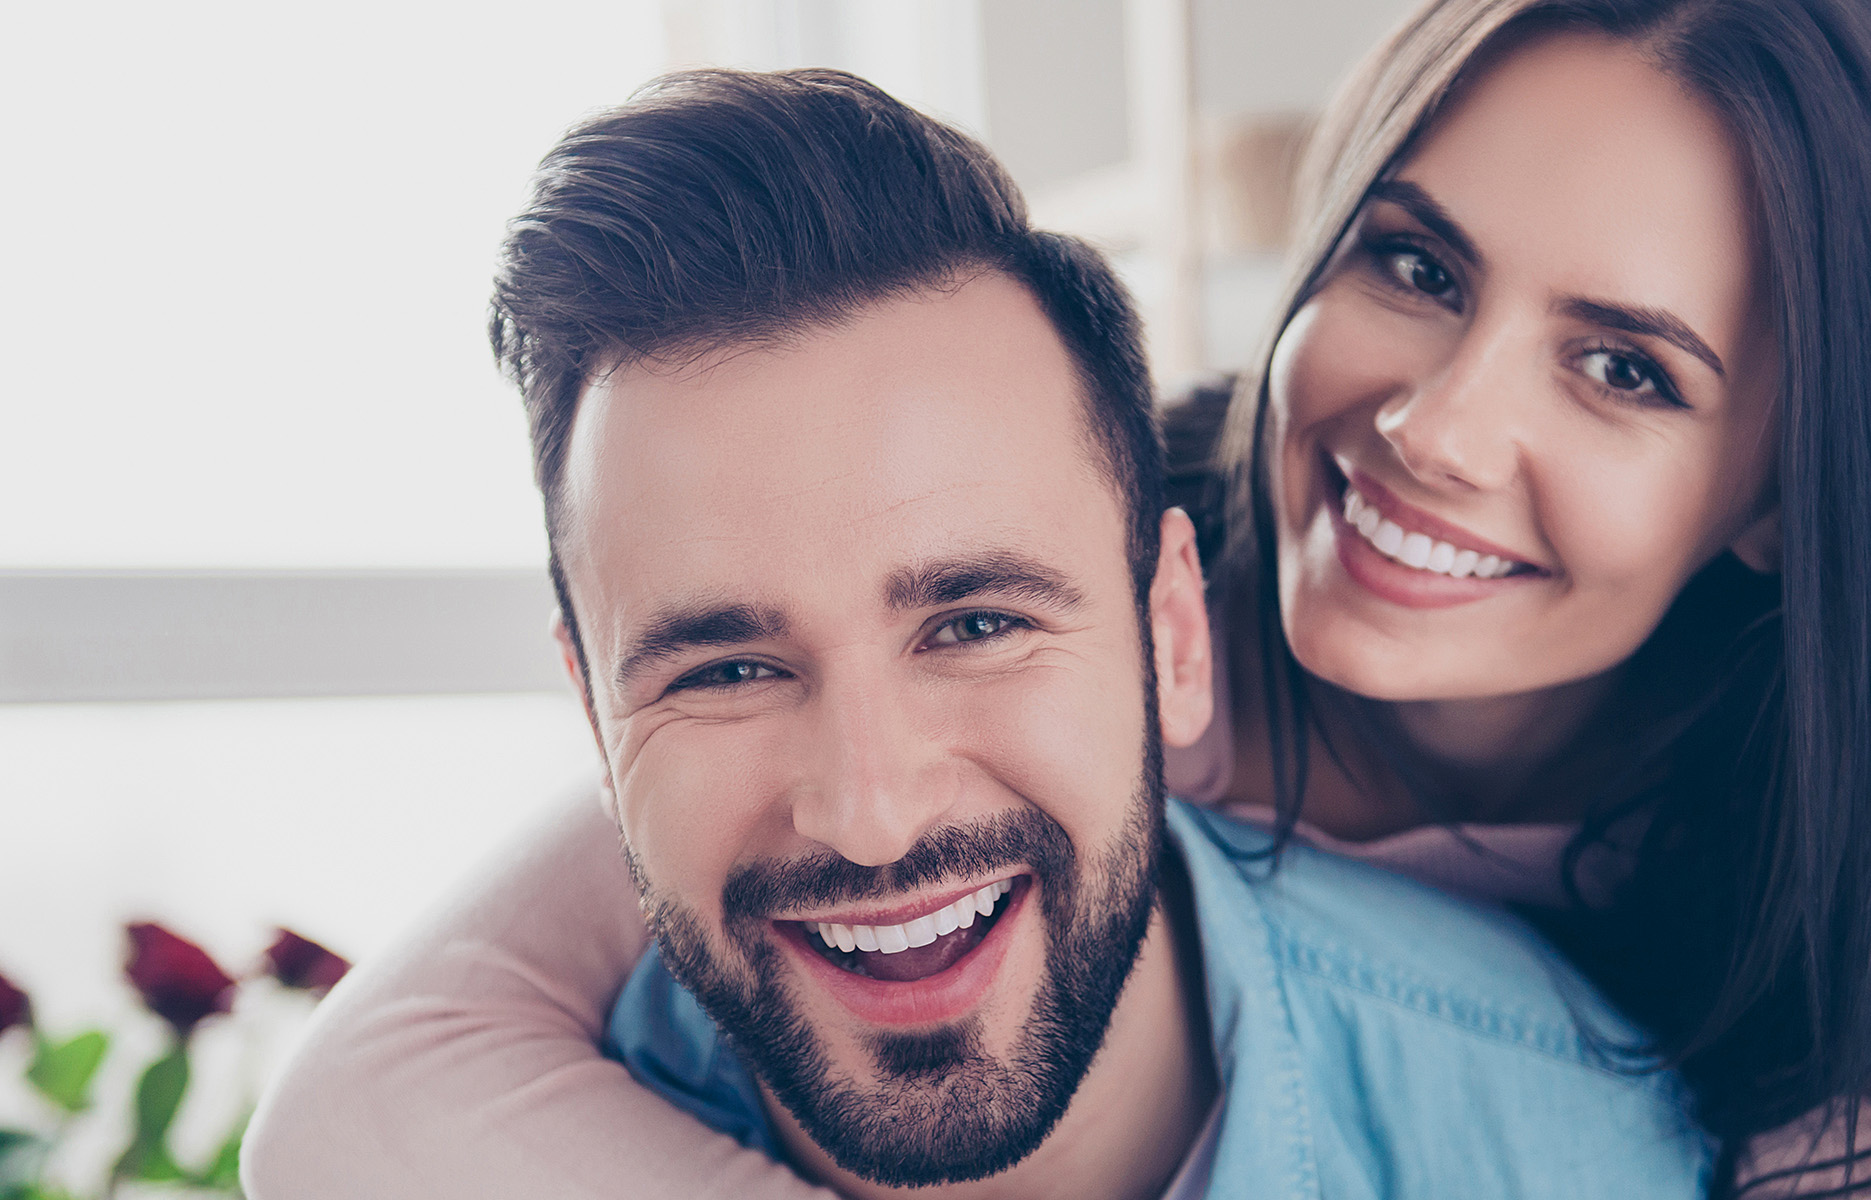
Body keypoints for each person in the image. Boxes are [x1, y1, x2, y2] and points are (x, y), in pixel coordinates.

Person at [248, 1, 1871, 1197]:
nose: (1438, 427)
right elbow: (366, 1091)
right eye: (1414, 265)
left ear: (1781, 491)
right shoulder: (1040, 579)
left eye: (1625, 366)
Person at [241, 66, 1711, 1199]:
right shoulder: (458, 1139)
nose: (871, 813)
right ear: (594, 719)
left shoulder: (1586, 1143)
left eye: (976, 622)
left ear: (1174, 636)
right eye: (730, 669)